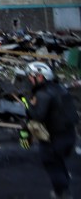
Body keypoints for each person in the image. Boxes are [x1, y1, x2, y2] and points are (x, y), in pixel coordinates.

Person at [22, 61, 78, 198]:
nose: (29, 79)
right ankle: (64, 188)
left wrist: (26, 103)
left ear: (40, 77)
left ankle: (63, 193)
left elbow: (37, 116)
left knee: (52, 164)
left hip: (54, 138)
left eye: (31, 76)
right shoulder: (60, 88)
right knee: (59, 163)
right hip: (69, 134)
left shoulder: (43, 94)